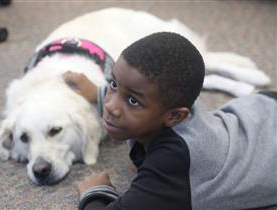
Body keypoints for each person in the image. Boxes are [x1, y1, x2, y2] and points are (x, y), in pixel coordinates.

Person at [63, 32, 277, 210]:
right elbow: (136, 94)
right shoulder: (172, 105)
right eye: (114, 84)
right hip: (263, 110)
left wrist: (94, 193)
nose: (111, 106)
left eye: (132, 100)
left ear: (174, 116)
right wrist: (98, 93)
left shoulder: (171, 161)